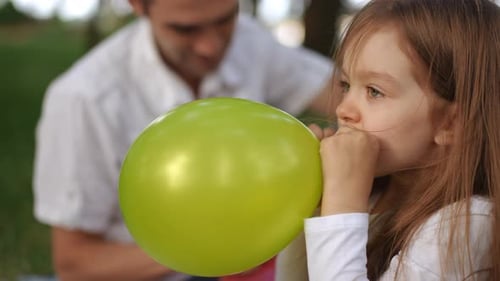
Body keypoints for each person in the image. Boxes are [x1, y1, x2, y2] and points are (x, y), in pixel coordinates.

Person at [32, 0, 333, 280]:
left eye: (226, 19)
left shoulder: (250, 41)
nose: (210, 46)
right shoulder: (84, 98)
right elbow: (74, 264)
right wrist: (211, 248)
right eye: (184, 29)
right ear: (137, 5)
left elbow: (344, 94)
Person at [301, 0, 499, 280]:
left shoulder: (467, 224)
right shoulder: (375, 195)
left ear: (450, 123)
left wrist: (341, 208)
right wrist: (313, 207)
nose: (343, 109)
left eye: (374, 91)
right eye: (346, 85)